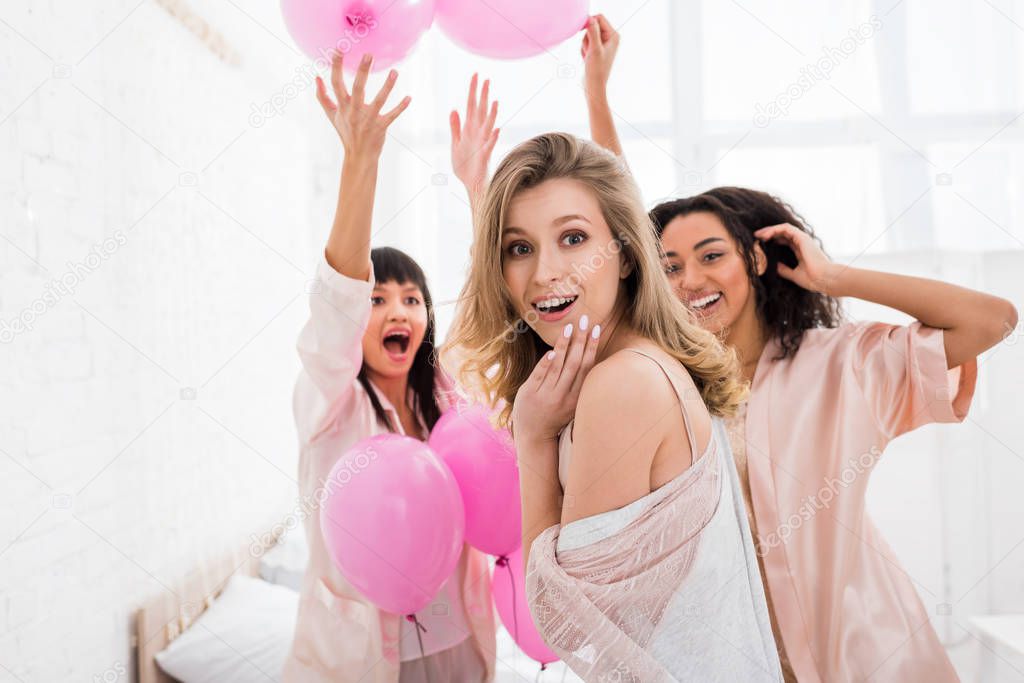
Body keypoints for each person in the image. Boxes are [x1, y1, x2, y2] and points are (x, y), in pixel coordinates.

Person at [582, 15, 1019, 681]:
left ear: (757, 258)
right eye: (670, 265)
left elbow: (991, 318)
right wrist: (597, 95)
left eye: (710, 256)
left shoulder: (842, 363)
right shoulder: (667, 386)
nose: (690, 279)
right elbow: (623, 231)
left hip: (870, 654)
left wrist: (834, 276)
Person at [441, 131, 784, 681]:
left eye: (574, 238)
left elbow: (564, 623)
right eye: (518, 248)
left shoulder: (622, 385)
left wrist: (532, 438)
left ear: (625, 255)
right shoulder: (635, 364)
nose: (545, 272)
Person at [281, 53, 498, 683]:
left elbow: (490, 311)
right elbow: (335, 302)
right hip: (362, 659)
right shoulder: (329, 405)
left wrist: (478, 187)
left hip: (458, 640)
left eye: (411, 299)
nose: (396, 309)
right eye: (376, 300)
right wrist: (362, 160)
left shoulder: (447, 397)